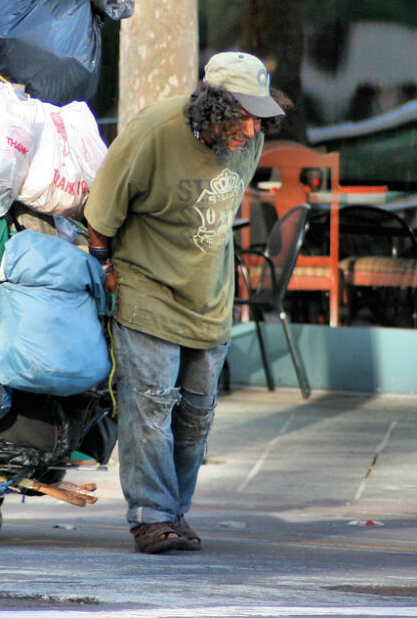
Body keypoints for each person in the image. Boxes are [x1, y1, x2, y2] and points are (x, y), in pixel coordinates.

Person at [83, 51, 285, 554]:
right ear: (212, 108)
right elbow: (102, 210)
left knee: (197, 412)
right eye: (242, 115)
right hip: (147, 284)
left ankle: (174, 511)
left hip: (209, 294)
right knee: (151, 405)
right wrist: (103, 265)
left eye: (260, 115)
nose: (252, 128)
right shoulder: (154, 130)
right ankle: (150, 516)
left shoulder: (250, 138)